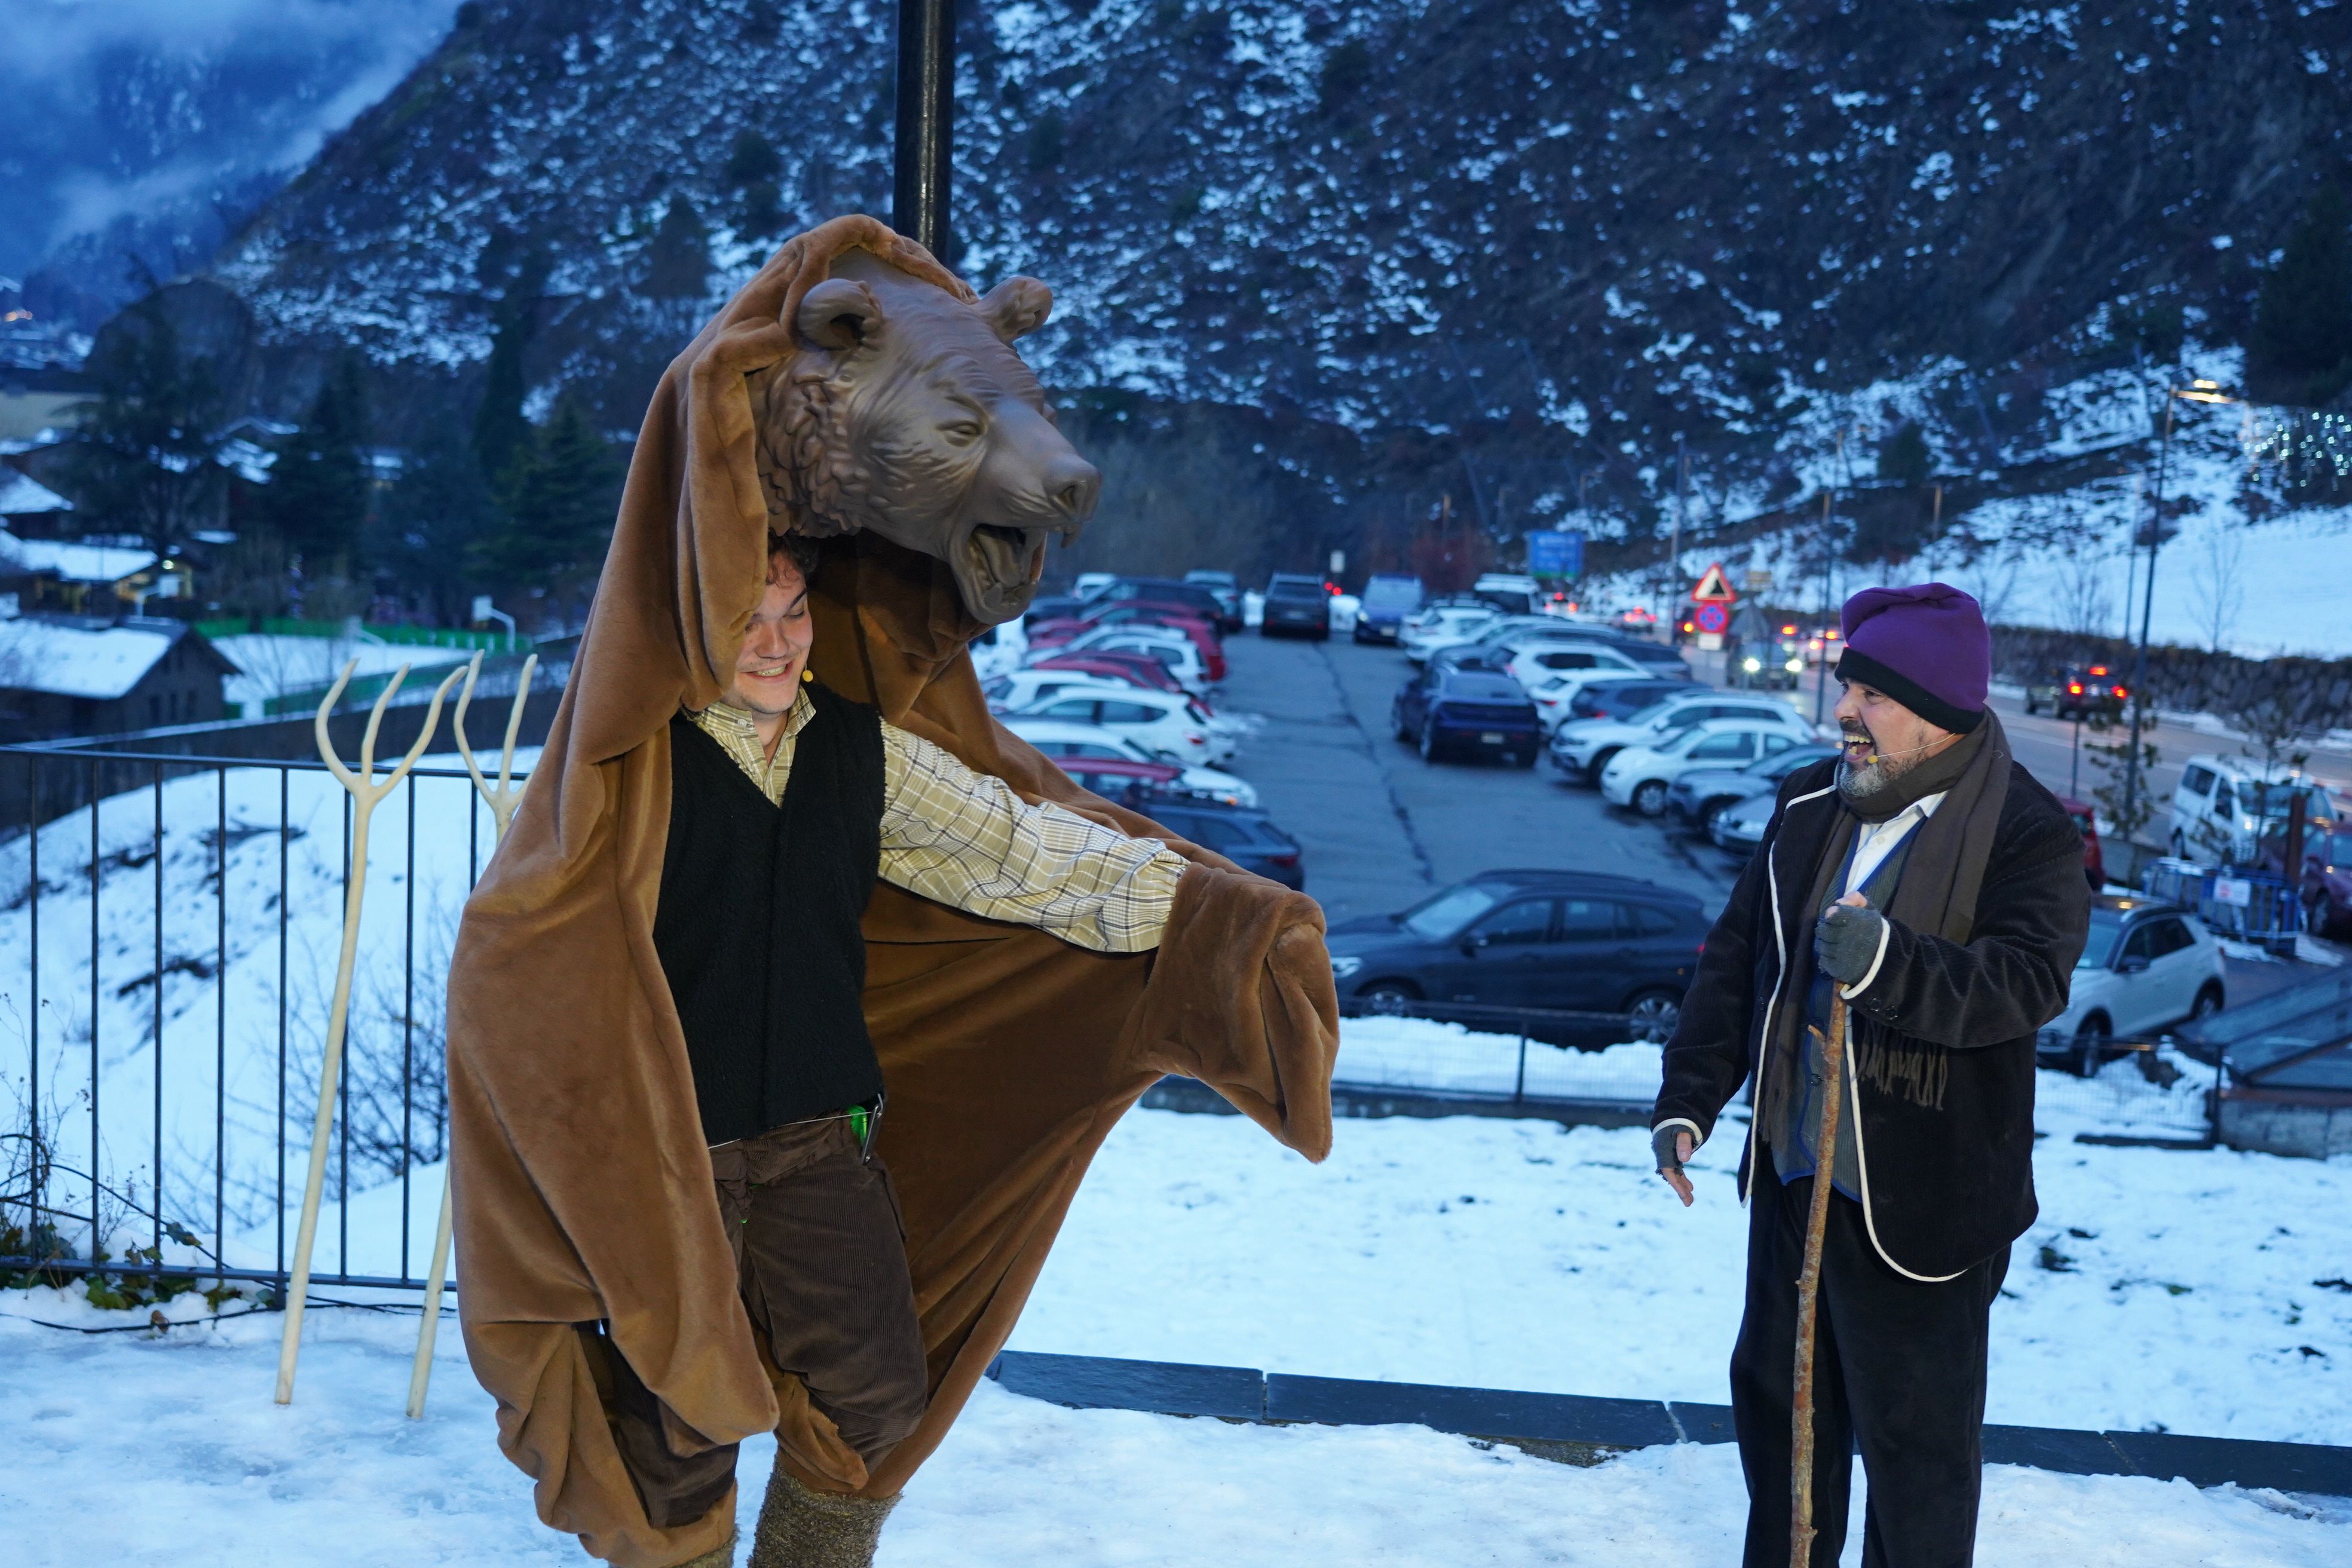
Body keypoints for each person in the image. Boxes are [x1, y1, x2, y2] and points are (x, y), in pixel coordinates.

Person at [1649, 583, 2090, 1567]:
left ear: (1935, 714)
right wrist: (1690, 1099)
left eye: (1871, 696)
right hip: (1794, 1172)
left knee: (1916, 1459)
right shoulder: (1812, 802)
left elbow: (2028, 981)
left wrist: (1891, 963)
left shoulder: (2028, 832)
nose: (1843, 711)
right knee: (1781, 1423)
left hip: (1924, 1204)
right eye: (1849, 689)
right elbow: (1738, 959)